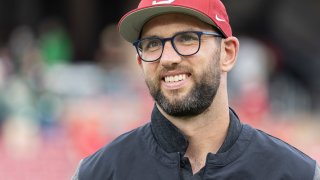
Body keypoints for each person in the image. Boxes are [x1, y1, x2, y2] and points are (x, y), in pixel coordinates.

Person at [73, 0, 320, 179]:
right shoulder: (99, 173)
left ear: (228, 53)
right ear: (141, 61)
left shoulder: (295, 173)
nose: (168, 58)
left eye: (187, 39)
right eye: (152, 44)